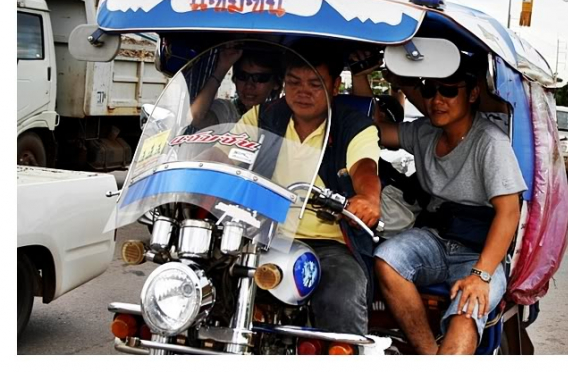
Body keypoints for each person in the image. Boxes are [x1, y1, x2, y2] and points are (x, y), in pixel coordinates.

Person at [211, 44, 383, 336]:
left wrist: (368, 198)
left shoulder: (354, 125)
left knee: (341, 293)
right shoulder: (262, 117)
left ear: (335, 86)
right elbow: (222, 155)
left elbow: (364, 168)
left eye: (315, 84)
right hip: (264, 237)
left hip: (330, 245)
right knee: (208, 283)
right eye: (294, 82)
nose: (303, 91)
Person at [369, 57, 526, 354]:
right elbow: (374, 133)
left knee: (468, 310)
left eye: (449, 91)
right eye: (429, 90)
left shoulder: (490, 143)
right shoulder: (425, 132)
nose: (437, 100)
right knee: (386, 259)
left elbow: (509, 213)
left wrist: (481, 276)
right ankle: (429, 355)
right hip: (433, 239)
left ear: (472, 94)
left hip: (479, 252)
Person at [190, 46, 281, 129]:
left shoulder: (281, 119)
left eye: (260, 78)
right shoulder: (227, 111)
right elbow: (196, 118)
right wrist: (222, 68)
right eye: (242, 76)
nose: (249, 85)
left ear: (276, 83)